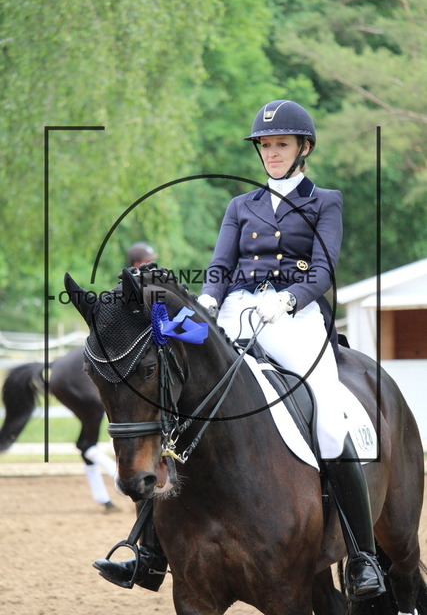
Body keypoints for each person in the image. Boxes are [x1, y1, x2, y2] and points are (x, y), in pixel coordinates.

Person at [94, 100, 385, 601]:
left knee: (330, 423)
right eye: (266, 146)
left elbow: (323, 271)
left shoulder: (325, 201)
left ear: (303, 148)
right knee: (177, 404)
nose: (272, 153)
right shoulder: (240, 206)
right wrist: (208, 303)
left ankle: (362, 556)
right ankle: (149, 550)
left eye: (281, 145)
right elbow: (220, 267)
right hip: (233, 315)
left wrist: (287, 300)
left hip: (295, 320)